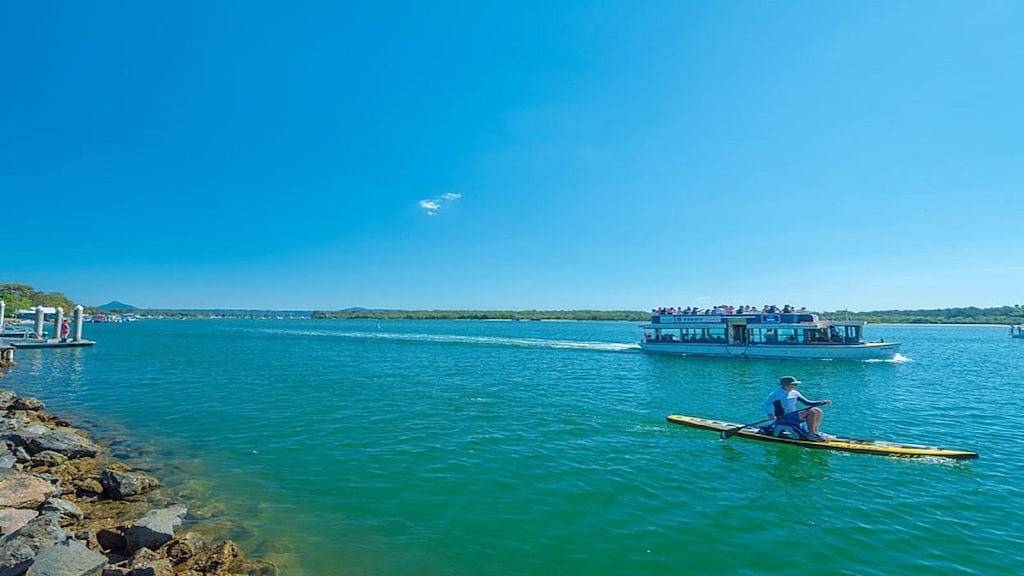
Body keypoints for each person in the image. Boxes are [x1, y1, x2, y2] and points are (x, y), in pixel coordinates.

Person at [761, 376, 832, 441]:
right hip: (783, 417)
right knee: (812, 411)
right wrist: (770, 414)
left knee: (818, 411)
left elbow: (807, 403)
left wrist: (822, 402)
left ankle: (815, 432)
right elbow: (765, 405)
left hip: (793, 416)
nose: (796, 385)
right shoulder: (776, 393)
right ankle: (811, 434)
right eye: (794, 384)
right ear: (785, 385)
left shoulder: (795, 393)